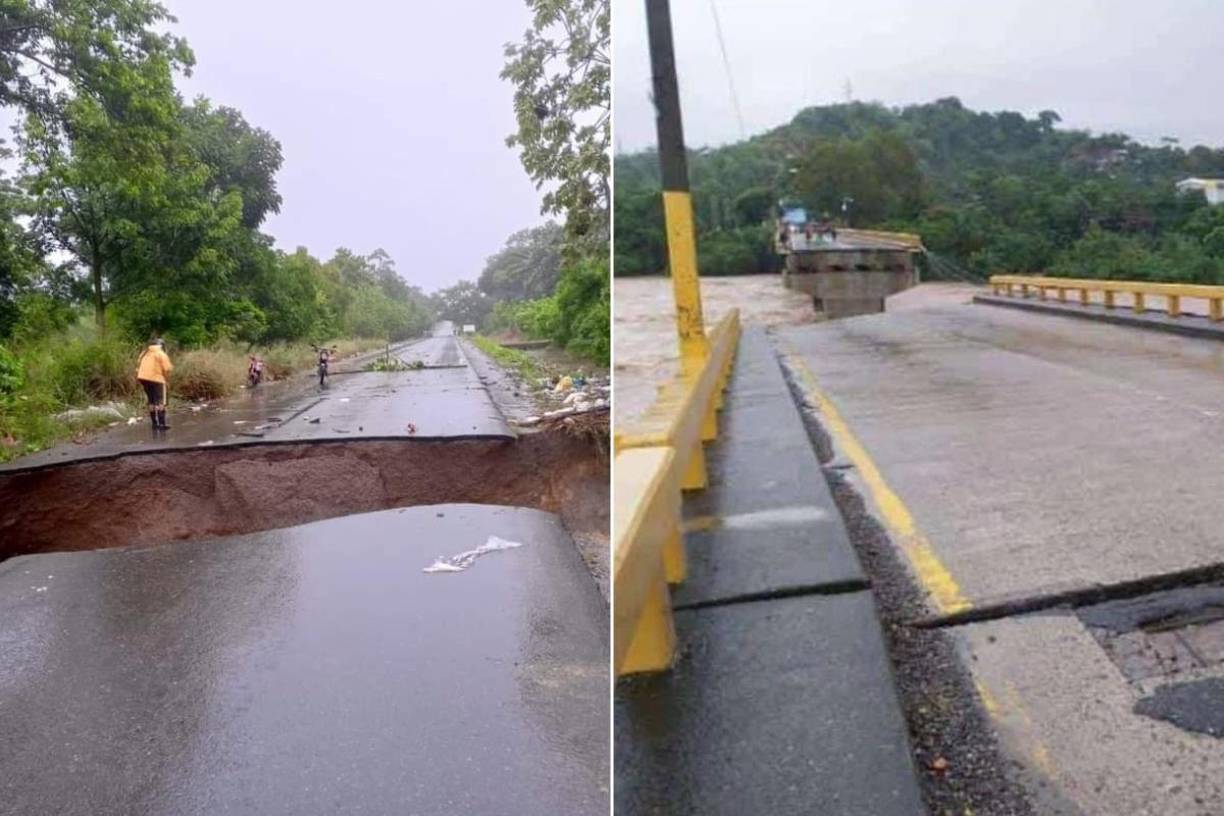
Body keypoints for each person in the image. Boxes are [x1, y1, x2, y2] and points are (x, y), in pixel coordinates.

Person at [136, 337, 173, 430]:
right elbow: (167, 369)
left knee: (151, 400)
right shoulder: (160, 353)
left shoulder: (144, 353)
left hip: (143, 378)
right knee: (161, 401)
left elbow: (138, 366)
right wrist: (166, 380)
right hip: (157, 379)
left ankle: (154, 424)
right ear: (161, 345)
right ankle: (162, 424)